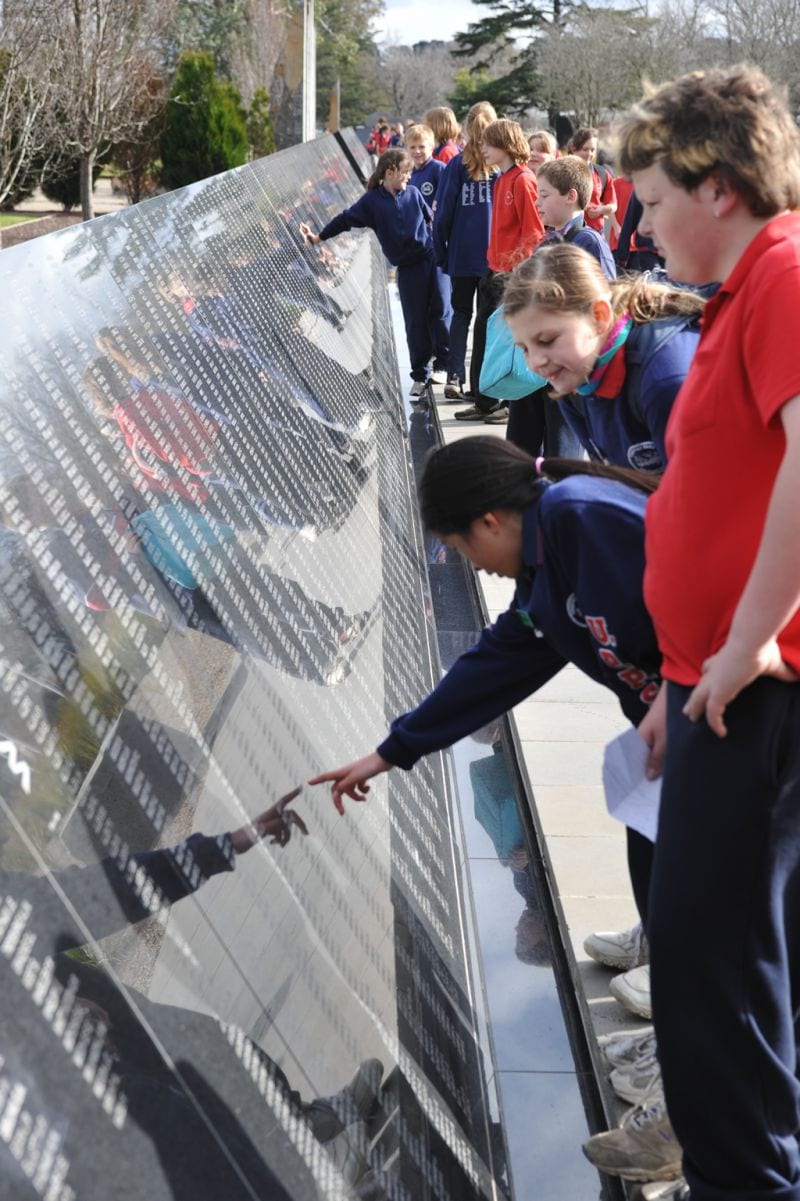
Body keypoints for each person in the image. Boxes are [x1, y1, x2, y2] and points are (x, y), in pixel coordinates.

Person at [584, 64, 800, 1200]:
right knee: (717, 960)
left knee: (714, 968)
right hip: (714, 686)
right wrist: (680, 676)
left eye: (655, 198)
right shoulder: (743, 288)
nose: (642, 224)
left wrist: (748, 638)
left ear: (719, 187)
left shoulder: (785, 273)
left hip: (757, 693)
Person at [309, 436, 661, 931]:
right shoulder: (542, 572)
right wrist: (391, 751)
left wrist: (681, 691)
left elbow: (716, 597)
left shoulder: (582, 517)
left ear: (489, 521)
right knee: (660, 878)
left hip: (734, 719)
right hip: (675, 737)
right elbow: (492, 666)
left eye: (462, 547)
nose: (474, 565)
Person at [503, 242, 703, 471]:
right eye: (525, 349)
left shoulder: (665, 379)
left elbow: (699, 487)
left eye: (548, 340)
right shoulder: (576, 378)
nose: (535, 362)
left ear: (599, 317)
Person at [300, 148, 449, 397]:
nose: (409, 177)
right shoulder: (372, 202)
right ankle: (420, 374)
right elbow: (345, 220)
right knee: (415, 321)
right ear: (390, 172)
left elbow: (432, 220)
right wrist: (318, 238)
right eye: (405, 172)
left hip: (431, 260)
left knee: (441, 310)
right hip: (408, 269)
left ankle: (443, 365)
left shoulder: (413, 194)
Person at [454, 118, 545, 423]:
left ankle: (505, 400)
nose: (482, 149)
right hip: (493, 270)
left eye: (488, 143)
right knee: (485, 335)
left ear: (505, 144)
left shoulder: (523, 180)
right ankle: (484, 399)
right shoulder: (501, 179)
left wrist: (519, 272)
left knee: (506, 340)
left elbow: (533, 232)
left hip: (511, 275)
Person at [432, 101, 497, 401]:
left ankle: (455, 376)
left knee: (461, 315)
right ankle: (481, 383)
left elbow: (442, 214)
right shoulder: (499, 167)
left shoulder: (456, 165)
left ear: (467, 128)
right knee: (487, 320)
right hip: (493, 256)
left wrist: (441, 251)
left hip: (461, 251)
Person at [536, 156, 617, 277]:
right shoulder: (546, 241)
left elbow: (606, 287)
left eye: (544, 195)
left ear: (570, 197)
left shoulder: (590, 243)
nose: (537, 202)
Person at [568, 127, 617, 234]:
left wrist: (601, 210)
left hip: (596, 233)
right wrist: (581, 207)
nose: (589, 154)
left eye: (592, 150)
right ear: (574, 149)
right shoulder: (562, 173)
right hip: (571, 233)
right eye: (585, 149)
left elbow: (613, 205)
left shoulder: (602, 173)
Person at [405, 123, 445, 205]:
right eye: (412, 147)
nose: (417, 151)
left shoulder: (439, 169)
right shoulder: (407, 172)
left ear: (431, 147)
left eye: (422, 147)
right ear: (406, 149)